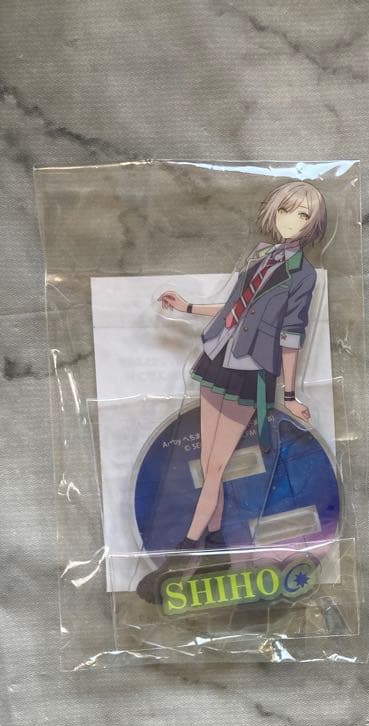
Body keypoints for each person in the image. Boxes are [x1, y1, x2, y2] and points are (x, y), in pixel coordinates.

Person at [137, 180, 326, 602]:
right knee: (210, 464)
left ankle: (181, 558)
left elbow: (292, 335)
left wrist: (289, 395)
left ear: (313, 224)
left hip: (252, 372)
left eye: (302, 215)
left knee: (217, 467)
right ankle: (219, 547)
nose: (291, 221)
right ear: (274, 211)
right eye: (286, 210)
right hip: (218, 356)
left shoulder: (304, 275)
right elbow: (231, 308)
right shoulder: (260, 255)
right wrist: (187, 307)